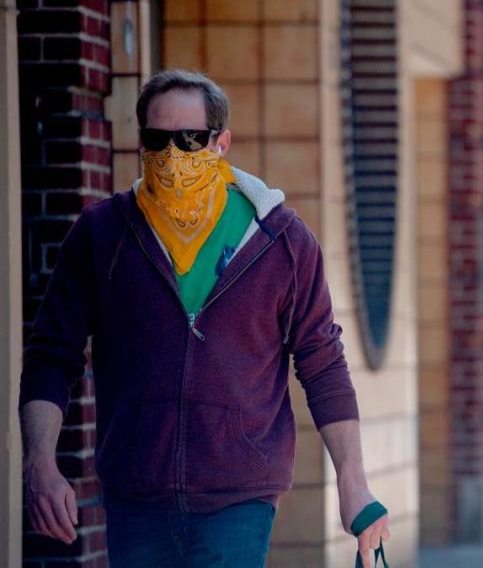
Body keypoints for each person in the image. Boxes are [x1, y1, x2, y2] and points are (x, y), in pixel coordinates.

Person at [18, 70, 390, 567]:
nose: (173, 155)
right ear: (140, 142)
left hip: (239, 497)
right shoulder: (102, 235)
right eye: (158, 139)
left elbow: (323, 363)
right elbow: (51, 354)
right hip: (135, 496)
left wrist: (353, 482)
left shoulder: (281, 241)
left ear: (221, 143)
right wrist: (39, 462)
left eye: (190, 139)